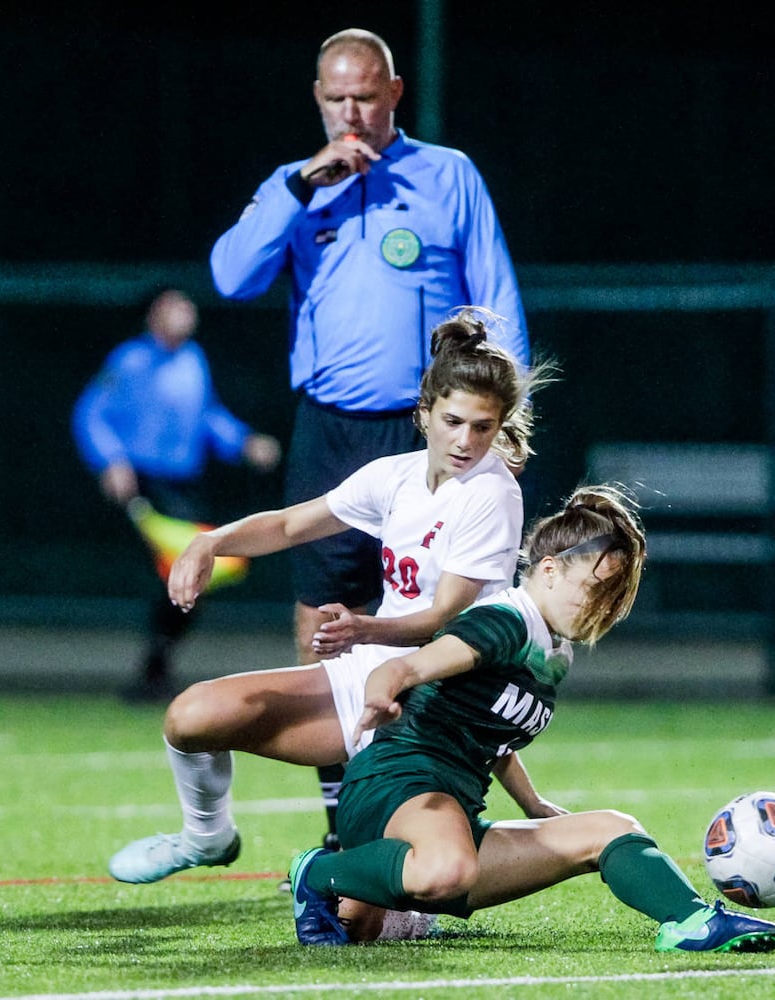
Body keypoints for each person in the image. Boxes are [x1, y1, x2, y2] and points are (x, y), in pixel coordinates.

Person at [209, 28, 531, 846]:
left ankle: (431, 787)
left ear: (393, 94)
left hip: (423, 428)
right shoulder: (297, 187)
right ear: (317, 98)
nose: (350, 112)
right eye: (334, 99)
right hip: (329, 423)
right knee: (323, 609)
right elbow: (230, 275)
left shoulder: (446, 174)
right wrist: (295, 186)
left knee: (439, 609)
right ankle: (342, 817)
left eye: (364, 97)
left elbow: (496, 295)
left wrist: (505, 419)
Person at [108, 312, 549, 884]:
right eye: (453, 421)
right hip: (375, 674)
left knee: (384, 904)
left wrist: (361, 630)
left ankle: (459, 842)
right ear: (423, 414)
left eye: (483, 427)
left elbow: (446, 620)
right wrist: (209, 543)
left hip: (437, 700)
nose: (466, 441)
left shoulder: (491, 493)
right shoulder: (395, 476)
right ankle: (207, 837)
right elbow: (292, 525)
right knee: (191, 716)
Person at [289, 485, 775, 955]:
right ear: (549, 570)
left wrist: (533, 804)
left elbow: (492, 733)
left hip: (451, 814)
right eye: (592, 589)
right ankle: (317, 871)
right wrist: (383, 689)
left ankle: (693, 922)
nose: (600, 607)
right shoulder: (508, 620)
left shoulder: (555, 651)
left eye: (611, 597)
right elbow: (408, 665)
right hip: (396, 785)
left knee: (610, 829)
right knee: (447, 870)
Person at [72, 288, 282, 703]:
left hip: (186, 487)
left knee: (192, 574)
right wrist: (111, 460)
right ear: (155, 316)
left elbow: (208, 416)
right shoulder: (130, 360)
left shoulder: (193, 360)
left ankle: (155, 667)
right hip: (148, 487)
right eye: (175, 308)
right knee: (178, 571)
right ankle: (153, 669)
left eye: (188, 307)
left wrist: (244, 442)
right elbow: (91, 412)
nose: (185, 315)